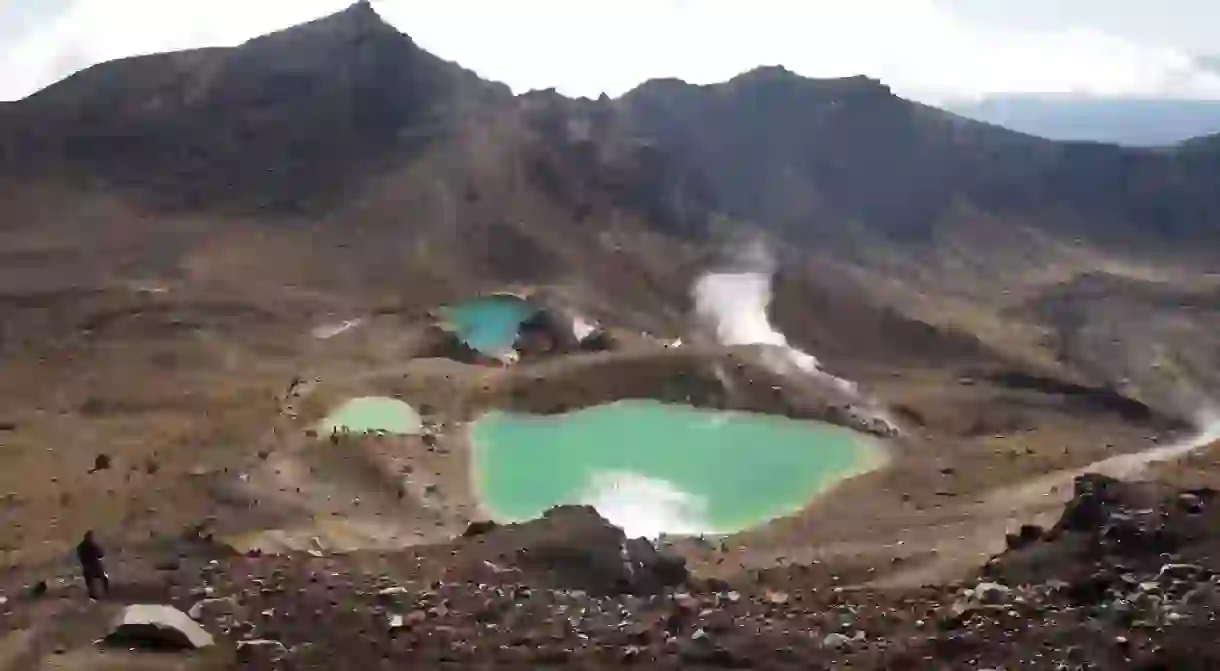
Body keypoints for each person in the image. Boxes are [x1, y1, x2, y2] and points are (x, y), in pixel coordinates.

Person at [77, 531, 109, 599]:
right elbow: (100, 554)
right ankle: (106, 591)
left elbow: (79, 556)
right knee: (103, 578)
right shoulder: (92, 545)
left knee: (89, 581)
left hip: (86, 565)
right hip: (94, 565)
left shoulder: (80, 546)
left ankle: (91, 595)